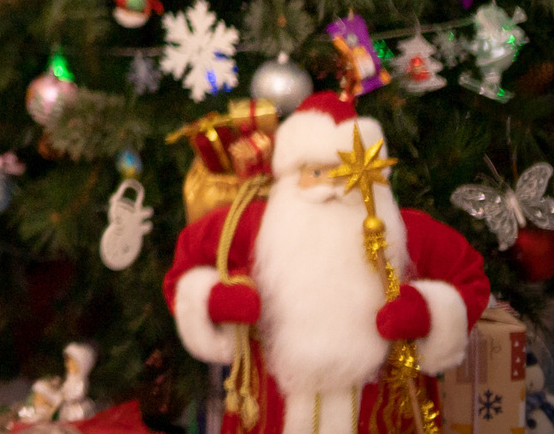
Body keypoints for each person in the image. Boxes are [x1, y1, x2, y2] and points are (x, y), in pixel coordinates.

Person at [165, 91, 486, 434]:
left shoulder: (407, 232)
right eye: (315, 172)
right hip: (270, 412)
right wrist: (215, 299)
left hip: (381, 411)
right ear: (291, 175)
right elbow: (185, 268)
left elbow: (470, 279)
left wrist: (427, 311)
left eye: (345, 172)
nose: (330, 186)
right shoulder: (250, 226)